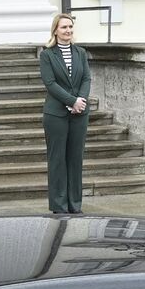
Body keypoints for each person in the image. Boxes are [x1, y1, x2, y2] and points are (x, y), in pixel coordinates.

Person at [39, 13, 91, 214]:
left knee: (75, 159)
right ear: (55, 30)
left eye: (70, 27)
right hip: (56, 115)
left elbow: (86, 79)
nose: (68, 30)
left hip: (79, 114)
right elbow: (50, 83)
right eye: (63, 27)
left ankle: (75, 204)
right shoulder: (47, 55)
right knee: (57, 159)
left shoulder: (80, 53)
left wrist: (80, 101)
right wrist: (71, 101)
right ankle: (59, 205)